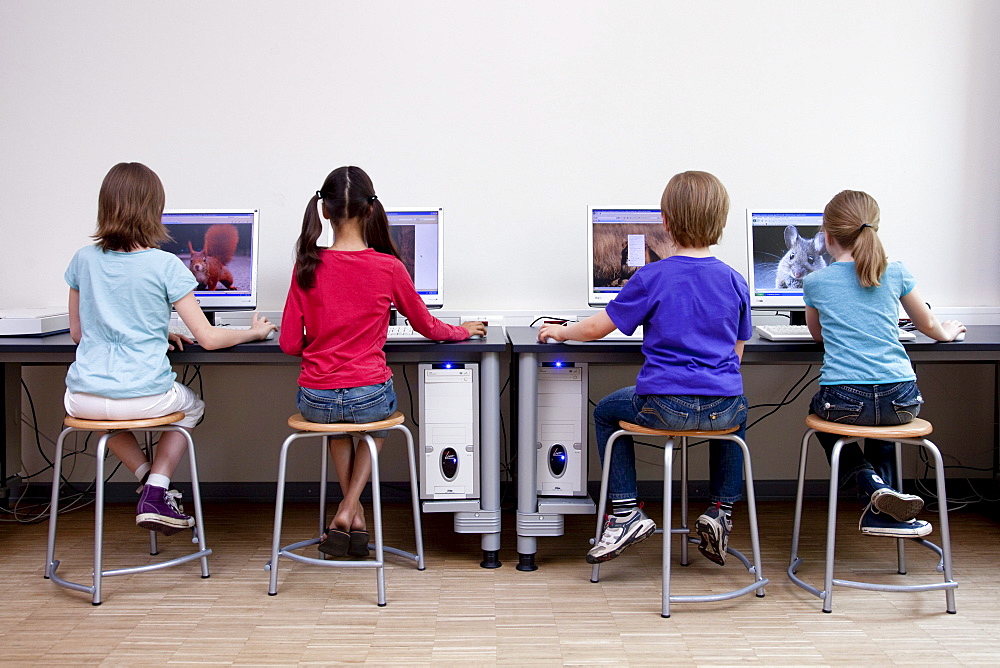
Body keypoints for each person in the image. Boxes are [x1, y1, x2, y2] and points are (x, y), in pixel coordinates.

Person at [539, 171, 751, 566]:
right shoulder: (736, 280)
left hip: (665, 404)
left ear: (665, 221)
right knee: (736, 415)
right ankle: (721, 510)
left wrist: (559, 331)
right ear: (721, 220)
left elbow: (596, 327)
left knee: (605, 411)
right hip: (723, 404)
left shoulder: (652, 276)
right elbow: (737, 351)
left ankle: (625, 514)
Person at [279, 165, 485, 558]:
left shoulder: (306, 265)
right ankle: (348, 510)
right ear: (370, 210)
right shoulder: (389, 267)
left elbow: (289, 344)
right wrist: (463, 330)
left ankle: (351, 515)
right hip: (369, 397)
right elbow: (427, 326)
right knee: (375, 422)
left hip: (315, 400)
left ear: (324, 212)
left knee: (335, 427)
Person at [64, 162, 276, 535]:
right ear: (153, 210)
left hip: (82, 398)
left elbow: (80, 335)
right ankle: (157, 487)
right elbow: (208, 338)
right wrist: (254, 333)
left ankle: (147, 480)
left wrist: (155, 334)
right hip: (144, 395)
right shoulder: (165, 265)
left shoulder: (82, 259)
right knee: (191, 406)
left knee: (105, 414)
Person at [803, 190, 965, 537]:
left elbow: (817, 335)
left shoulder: (815, 282)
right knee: (882, 422)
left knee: (819, 415)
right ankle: (887, 508)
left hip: (843, 401)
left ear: (827, 237)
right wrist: (947, 332)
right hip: (902, 400)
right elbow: (928, 326)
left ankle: (869, 481)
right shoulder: (896, 271)